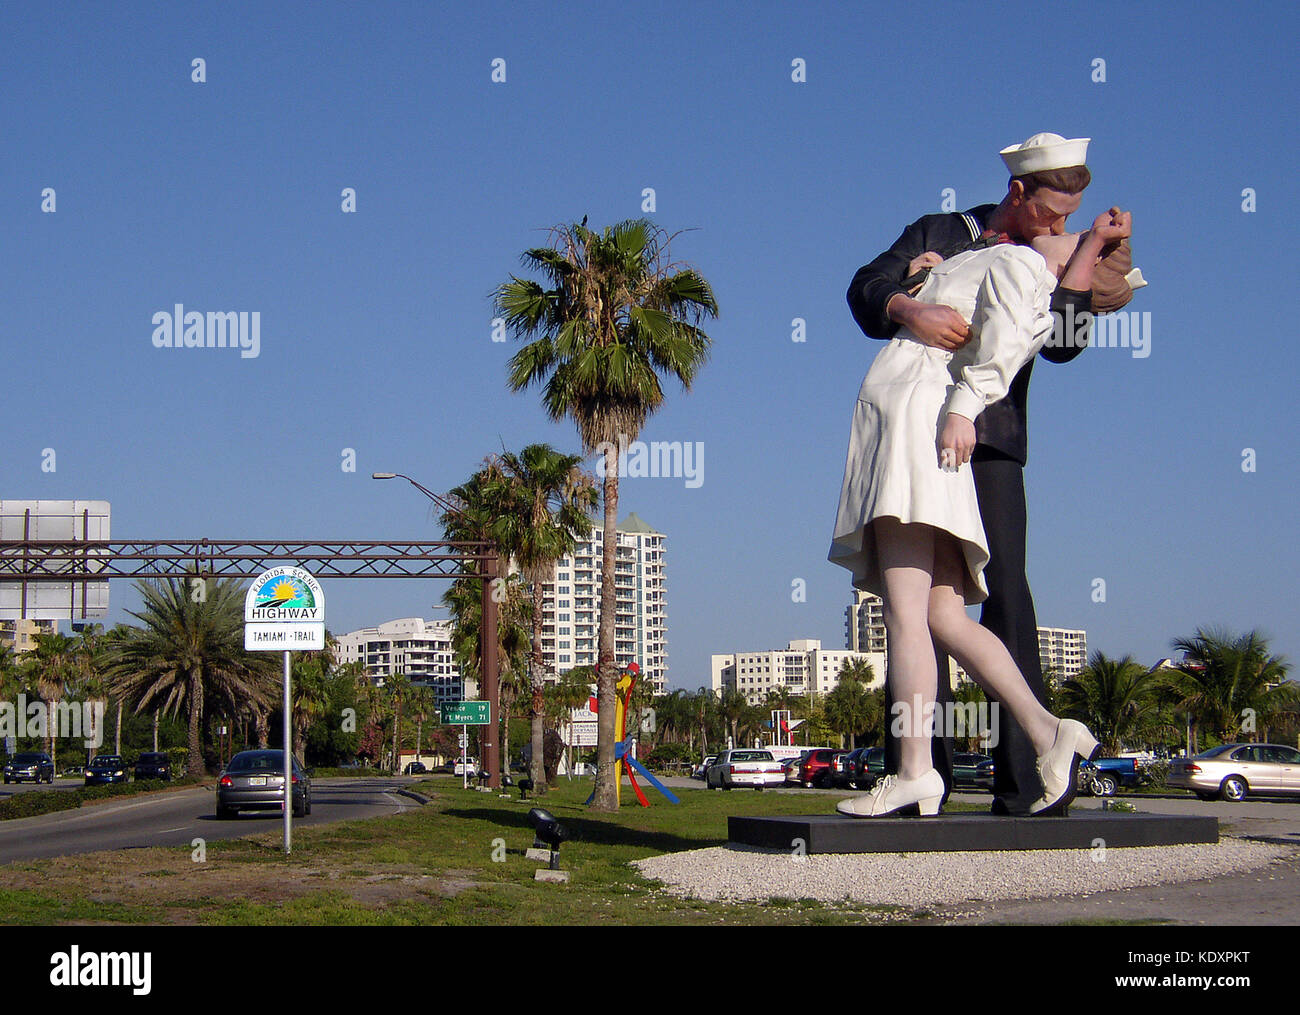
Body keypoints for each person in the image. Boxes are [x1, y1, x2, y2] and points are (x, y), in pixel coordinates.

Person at [843, 133, 1132, 815]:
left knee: (988, 596)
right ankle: (929, 769)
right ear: (1018, 192)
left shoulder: (1035, 262)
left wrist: (1089, 253)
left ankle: (1023, 778)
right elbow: (865, 288)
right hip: (923, 419)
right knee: (932, 611)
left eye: (1072, 219)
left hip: (978, 433)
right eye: (1054, 213)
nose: (1060, 226)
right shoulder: (944, 230)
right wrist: (913, 300)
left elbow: (1058, 344)